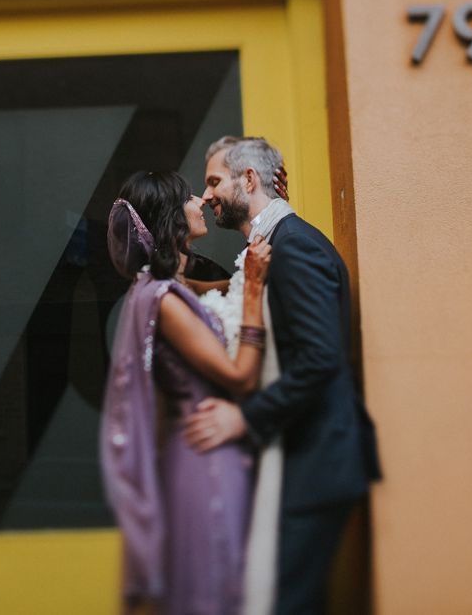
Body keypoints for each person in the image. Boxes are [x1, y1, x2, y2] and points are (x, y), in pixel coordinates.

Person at [184, 136, 381, 614]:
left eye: (214, 181)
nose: (207, 195)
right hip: (296, 455)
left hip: (316, 458)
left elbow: (319, 360)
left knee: (289, 603)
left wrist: (242, 419)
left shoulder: (295, 249)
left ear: (249, 180)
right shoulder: (272, 247)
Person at [100, 170, 272, 615]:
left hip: (193, 452)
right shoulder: (163, 301)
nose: (199, 201)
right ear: (172, 219)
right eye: (187, 197)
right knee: (212, 585)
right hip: (204, 455)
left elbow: (215, 290)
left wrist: (269, 209)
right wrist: (253, 289)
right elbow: (239, 378)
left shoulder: (161, 288)